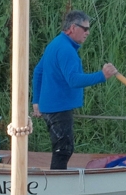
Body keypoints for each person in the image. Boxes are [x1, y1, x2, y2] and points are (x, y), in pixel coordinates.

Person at [31, 11, 117, 170]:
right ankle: (57, 184)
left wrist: (36, 101)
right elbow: (74, 80)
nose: (88, 32)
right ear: (72, 28)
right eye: (85, 29)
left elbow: (38, 71)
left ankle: (57, 179)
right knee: (63, 150)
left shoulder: (55, 43)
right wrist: (102, 75)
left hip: (50, 108)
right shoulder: (66, 50)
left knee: (63, 148)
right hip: (59, 108)